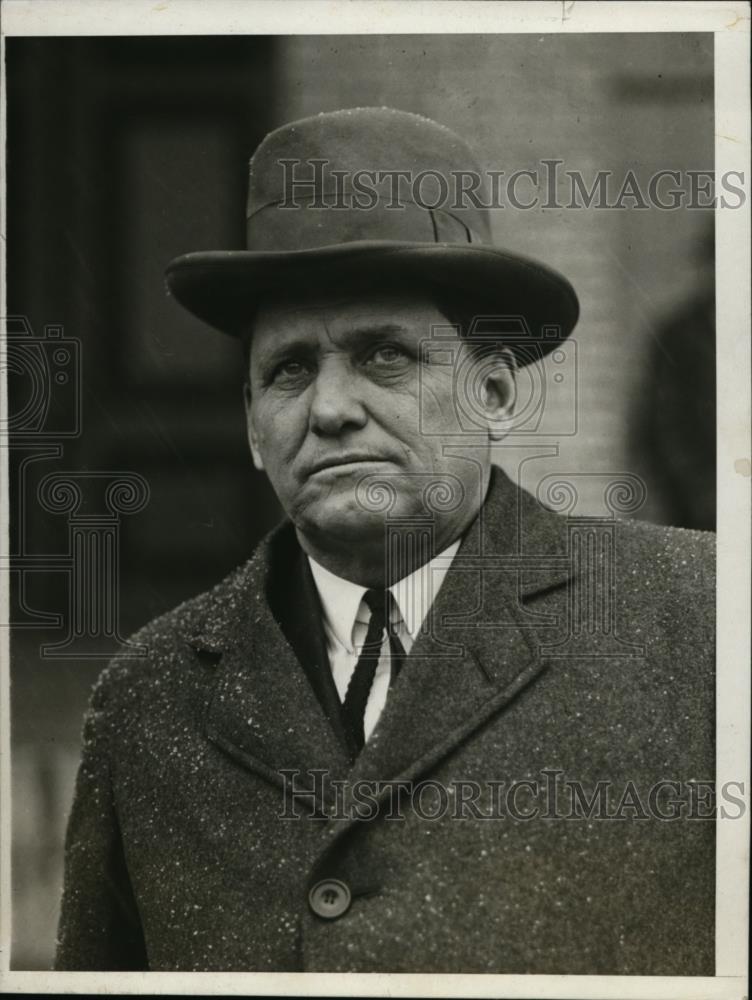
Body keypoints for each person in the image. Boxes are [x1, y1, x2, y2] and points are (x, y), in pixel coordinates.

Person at [55, 108, 715, 975]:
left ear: (493, 392)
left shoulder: (701, 623)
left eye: (385, 356)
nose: (329, 408)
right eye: (289, 369)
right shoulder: (146, 701)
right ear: (253, 429)